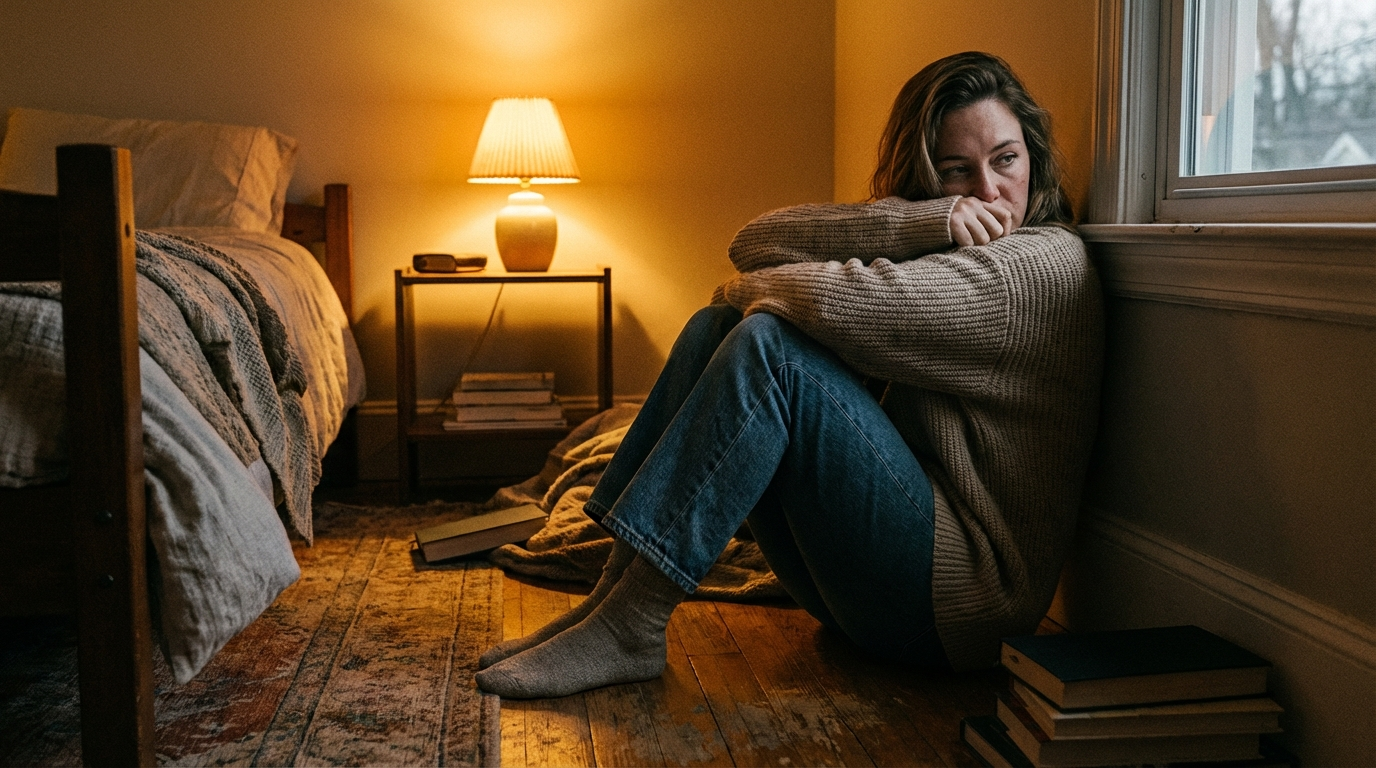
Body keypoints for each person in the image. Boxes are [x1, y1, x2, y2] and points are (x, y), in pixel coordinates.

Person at [475, 51, 1104, 699]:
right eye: (956, 171)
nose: (988, 192)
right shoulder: (944, 241)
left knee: (767, 344)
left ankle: (632, 622)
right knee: (717, 327)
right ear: (925, 179)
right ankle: (613, 599)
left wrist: (747, 291)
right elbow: (752, 242)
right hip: (869, 590)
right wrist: (920, 220)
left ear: (1033, 157)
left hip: (958, 611)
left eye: (1006, 159)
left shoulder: (1040, 266)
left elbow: (811, 296)